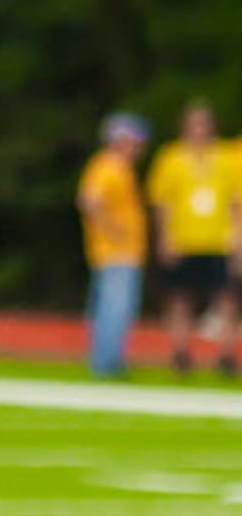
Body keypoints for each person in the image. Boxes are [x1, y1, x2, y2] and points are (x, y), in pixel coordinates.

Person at [147, 100, 239, 377]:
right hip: (183, 240)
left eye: (204, 124)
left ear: (212, 127)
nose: (199, 130)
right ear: (184, 128)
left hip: (218, 240)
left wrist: (238, 237)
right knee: (179, 299)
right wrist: (163, 237)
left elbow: (237, 200)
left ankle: (226, 355)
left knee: (228, 299)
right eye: (194, 124)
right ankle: (180, 353)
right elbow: (161, 202)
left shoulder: (227, 157)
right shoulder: (171, 157)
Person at [81, 114, 149, 378]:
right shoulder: (107, 166)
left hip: (120, 251)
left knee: (113, 306)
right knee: (116, 307)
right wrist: (114, 231)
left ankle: (108, 359)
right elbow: (89, 201)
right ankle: (106, 363)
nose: (138, 148)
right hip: (115, 252)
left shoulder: (118, 167)